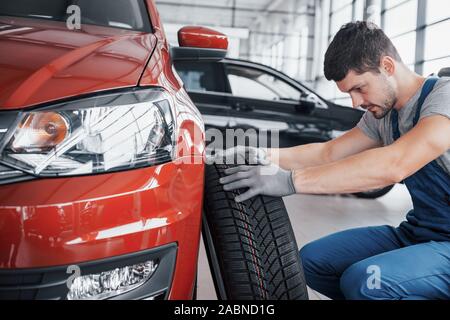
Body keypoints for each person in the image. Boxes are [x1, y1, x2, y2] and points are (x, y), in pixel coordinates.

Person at [216, 21, 450, 300]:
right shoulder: (386, 115)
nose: (355, 103)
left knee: (366, 282)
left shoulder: (443, 99)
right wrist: (260, 154)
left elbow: (395, 164)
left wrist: (289, 181)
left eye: (359, 88)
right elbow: (328, 152)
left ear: (387, 66)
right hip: (420, 233)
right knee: (311, 262)